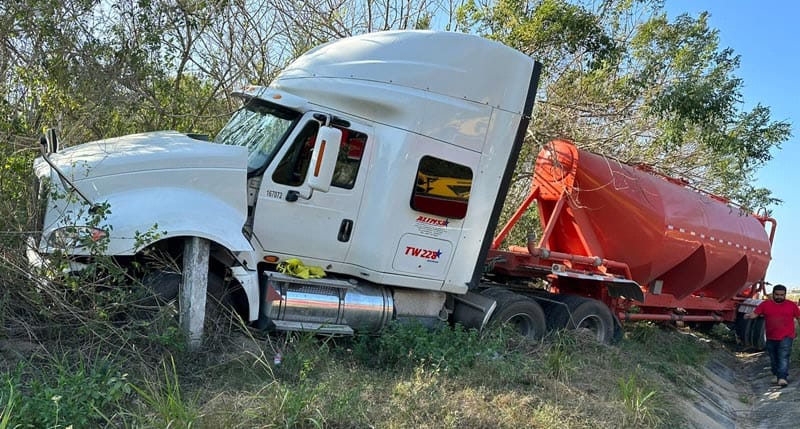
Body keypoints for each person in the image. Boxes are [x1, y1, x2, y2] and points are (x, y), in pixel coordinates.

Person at [744, 284, 800, 387]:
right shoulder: (765, 305)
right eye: (777, 294)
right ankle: (776, 374)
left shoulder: (792, 305)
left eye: (782, 295)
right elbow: (755, 313)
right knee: (773, 357)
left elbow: (798, 317)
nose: (779, 297)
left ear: (785, 295)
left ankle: (782, 377)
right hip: (771, 336)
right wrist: (749, 316)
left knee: (783, 356)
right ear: (773, 294)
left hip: (786, 336)